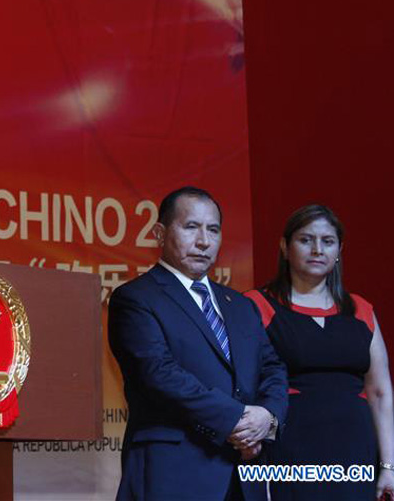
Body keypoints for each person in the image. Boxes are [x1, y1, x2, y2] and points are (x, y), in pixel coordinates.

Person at [109, 186, 288, 500]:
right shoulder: (136, 298)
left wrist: (267, 417)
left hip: (246, 475)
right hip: (176, 472)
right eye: (191, 227)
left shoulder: (240, 304)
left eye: (213, 230)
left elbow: (272, 367)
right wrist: (238, 421)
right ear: (160, 233)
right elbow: (159, 375)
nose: (204, 241)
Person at [246, 205, 394, 500]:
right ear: (284, 247)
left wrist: (389, 465)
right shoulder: (256, 305)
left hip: (355, 450)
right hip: (288, 448)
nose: (317, 249)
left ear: (339, 250)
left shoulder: (361, 310)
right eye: (305, 240)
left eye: (327, 241)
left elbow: (379, 391)